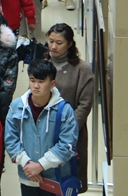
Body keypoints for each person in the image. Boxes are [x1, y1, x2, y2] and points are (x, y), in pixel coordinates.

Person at [5, 59, 79, 195]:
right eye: (32, 80)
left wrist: (40, 165)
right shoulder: (16, 106)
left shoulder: (65, 110)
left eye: (41, 81)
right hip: (28, 177)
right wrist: (27, 164)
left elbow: (67, 144)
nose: (35, 86)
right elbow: (10, 139)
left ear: (52, 84)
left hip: (55, 179)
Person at [46, 23, 95, 190]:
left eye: (59, 43)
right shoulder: (43, 64)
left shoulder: (82, 69)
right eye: (51, 41)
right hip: (44, 132)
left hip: (71, 133)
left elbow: (84, 105)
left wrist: (67, 129)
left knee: (68, 182)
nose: (53, 46)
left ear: (70, 44)